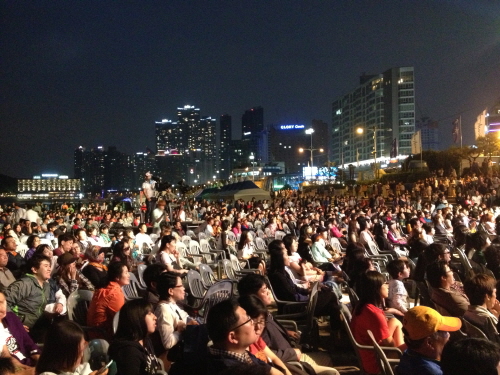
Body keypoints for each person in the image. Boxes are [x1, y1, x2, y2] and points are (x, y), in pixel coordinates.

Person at [237, 274, 338, 375]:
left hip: (291, 354)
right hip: (290, 361)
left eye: (267, 288)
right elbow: (262, 353)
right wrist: (292, 354)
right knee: (330, 366)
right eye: (264, 290)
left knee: (328, 360)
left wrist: (286, 332)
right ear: (252, 296)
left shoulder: (262, 312)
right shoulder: (255, 321)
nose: (268, 292)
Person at [350, 271, 405, 375]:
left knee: (395, 321)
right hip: (377, 362)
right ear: (376, 289)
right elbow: (390, 345)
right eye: (384, 283)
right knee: (417, 345)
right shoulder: (375, 314)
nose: (388, 285)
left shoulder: (362, 306)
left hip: (368, 353)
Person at [206, 298, 277, 375]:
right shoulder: (230, 369)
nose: (254, 323)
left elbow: (271, 370)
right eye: (248, 320)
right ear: (233, 337)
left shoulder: (241, 353)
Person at [397, 306, 461, 375]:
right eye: (445, 332)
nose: (449, 335)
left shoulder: (409, 354)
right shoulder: (432, 372)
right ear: (429, 342)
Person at [238, 295, 294, 375]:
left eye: (261, 321)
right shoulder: (241, 355)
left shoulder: (256, 340)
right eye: (253, 322)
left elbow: (274, 358)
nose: (258, 327)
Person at [108, 299, 162, 375]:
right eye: (149, 313)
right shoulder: (129, 352)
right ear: (137, 319)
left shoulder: (145, 340)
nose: (155, 317)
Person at [36, 320, 106, 375]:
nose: (82, 355)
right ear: (62, 356)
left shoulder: (81, 368)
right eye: (79, 352)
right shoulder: (47, 374)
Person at [154, 272, 198, 353]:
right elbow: (167, 343)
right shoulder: (164, 309)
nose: (184, 288)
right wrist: (181, 330)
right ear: (171, 291)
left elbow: (185, 318)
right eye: (181, 285)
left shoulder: (172, 304)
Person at [5, 255, 52, 329]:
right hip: (20, 328)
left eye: (49, 266)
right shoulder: (23, 284)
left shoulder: (46, 286)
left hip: (36, 326)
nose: (49, 269)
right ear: (34, 269)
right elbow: (4, 302)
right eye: (46, 266)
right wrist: (15, 323)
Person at [87, 261, 130, 340]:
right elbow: (121, 318)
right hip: (102, 334)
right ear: (117, 277)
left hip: (93, 331)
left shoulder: (107, 286)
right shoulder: (114, 292)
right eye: (126, 273)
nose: (129, 275)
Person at [0, 287, 41, 368]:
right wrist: (28, 370)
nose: (1, 308)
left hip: (29, 362)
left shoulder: (11, 317)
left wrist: (39, 358)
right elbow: (6, 359)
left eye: (2, 302)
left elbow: (28, 342)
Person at [463, 273, 500, 341]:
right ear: (487, 296)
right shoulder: (488, 318)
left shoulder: (466, 313)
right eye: (495, 293)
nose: (496, 296)